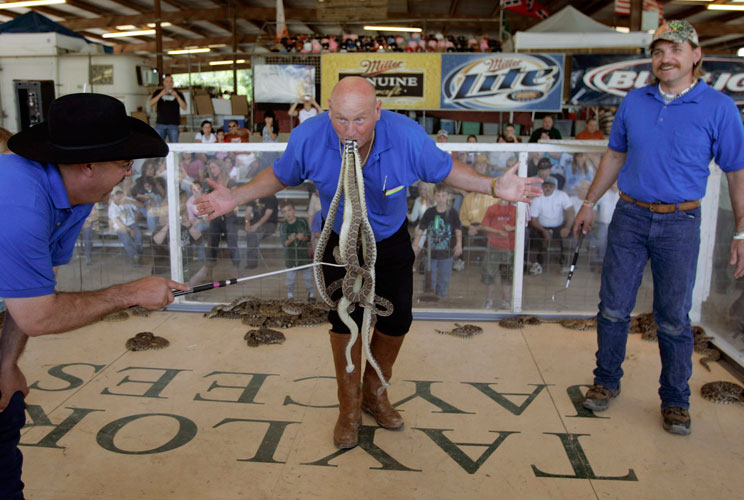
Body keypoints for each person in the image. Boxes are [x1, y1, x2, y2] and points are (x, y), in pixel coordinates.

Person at [193, 76, 542, 450]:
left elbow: (446, 170)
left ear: (378, 111)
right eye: (340, 119)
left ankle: (375, 393)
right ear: (329, 110)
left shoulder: (406, 136)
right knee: (345, 320)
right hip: (339, 240)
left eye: (360, 120)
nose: (349, 130)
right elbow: (280, 175)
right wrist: (236, 198)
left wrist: (493, 187)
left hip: (389, 238)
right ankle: (350, 407)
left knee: (398, 319)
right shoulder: (310, 136)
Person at [0, 93, 188, 500]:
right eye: (123, 165)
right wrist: (130, 293)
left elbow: (30, 288)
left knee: (6, 411)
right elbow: (38, 315)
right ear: (88, 166)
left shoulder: (77, 197)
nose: (127, 175)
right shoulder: (19, 200)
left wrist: (6, 363)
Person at [573, 20, 744, 436]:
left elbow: (737, 172)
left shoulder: (719, 108)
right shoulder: (634, 101)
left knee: (672, 317)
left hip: (681, 222)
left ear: (695, 55)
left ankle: (675, 401)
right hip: (629, 216)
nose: (666, 58)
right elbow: (615, 156)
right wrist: (589, 201)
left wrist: (741, 232)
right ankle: (606, 381)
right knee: (612, 307)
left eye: (676, 50)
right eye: (658, 51)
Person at [414, 184, 462, 299]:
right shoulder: (429, 212)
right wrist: (416, 243)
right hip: (430, 251)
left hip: (447, 251)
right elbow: (422, 228)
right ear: (435, 196)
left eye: (443, 195)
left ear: (448, 197)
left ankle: (441, 298)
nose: (441, 198)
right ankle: (428, 296)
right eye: (438, 195)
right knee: (428, 276)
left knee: (443, 278)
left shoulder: (453, 213)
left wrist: (459, 244)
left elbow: (458, 229)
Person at [529, 176, 574, 273]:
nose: (548, 188)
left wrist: (567, 227)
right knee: (537, 238)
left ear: (555, 187)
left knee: (567, 236)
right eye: (546, 185)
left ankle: (565, 264)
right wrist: (544, 231)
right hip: (541, 227)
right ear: (542, 186)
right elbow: (534, 219)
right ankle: (538, 264)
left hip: (559, 226)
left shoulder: (562, 195)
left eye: (551, 186)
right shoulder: (537, 198)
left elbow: (570, 211)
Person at [480, 198, 517, 309]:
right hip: (493, 247)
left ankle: (506, 299)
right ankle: (488, 300)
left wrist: (512, 228)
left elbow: (523, 225)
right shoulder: (492, 209)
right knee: (489, 275)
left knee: (507, 275)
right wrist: (498, 231)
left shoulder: (515, 210)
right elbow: (484, 226)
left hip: (510, 247)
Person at [278, 199, 315, 300]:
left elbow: (308, 237)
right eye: (284, 211)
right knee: (290, 279)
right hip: (290, 257)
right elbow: (284, 243)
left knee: (308, 277)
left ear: (294, 210)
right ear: (282, 214)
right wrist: (291, 239)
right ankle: (290, 295)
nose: (288, 213)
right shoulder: (283, 226)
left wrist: (303, 237)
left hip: (304, 256)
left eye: (289, 210)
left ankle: (311, 294)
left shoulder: (302, 221)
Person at [148, 75, 187, 143]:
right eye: (167, 81)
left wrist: (177, 96)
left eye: (170, 81)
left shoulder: (178, 93)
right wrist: (160, 94)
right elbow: (150, 103)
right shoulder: (158, 92)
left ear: (173, 83)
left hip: (173, 124)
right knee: (158, 144)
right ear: (164, 82)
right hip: (160, 123)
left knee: (174, 145)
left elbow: (184, 107)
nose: (169, 83)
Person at [244, 193, 278, 268]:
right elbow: (248, 212)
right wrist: (247, 223)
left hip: (269, 224)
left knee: (253, 235)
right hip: (256, 224)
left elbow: (267, 215)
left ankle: (252, 262)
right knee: (251, 234)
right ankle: (251, 263)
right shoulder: (252, 196)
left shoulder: (271, 197)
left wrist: (255, 226)